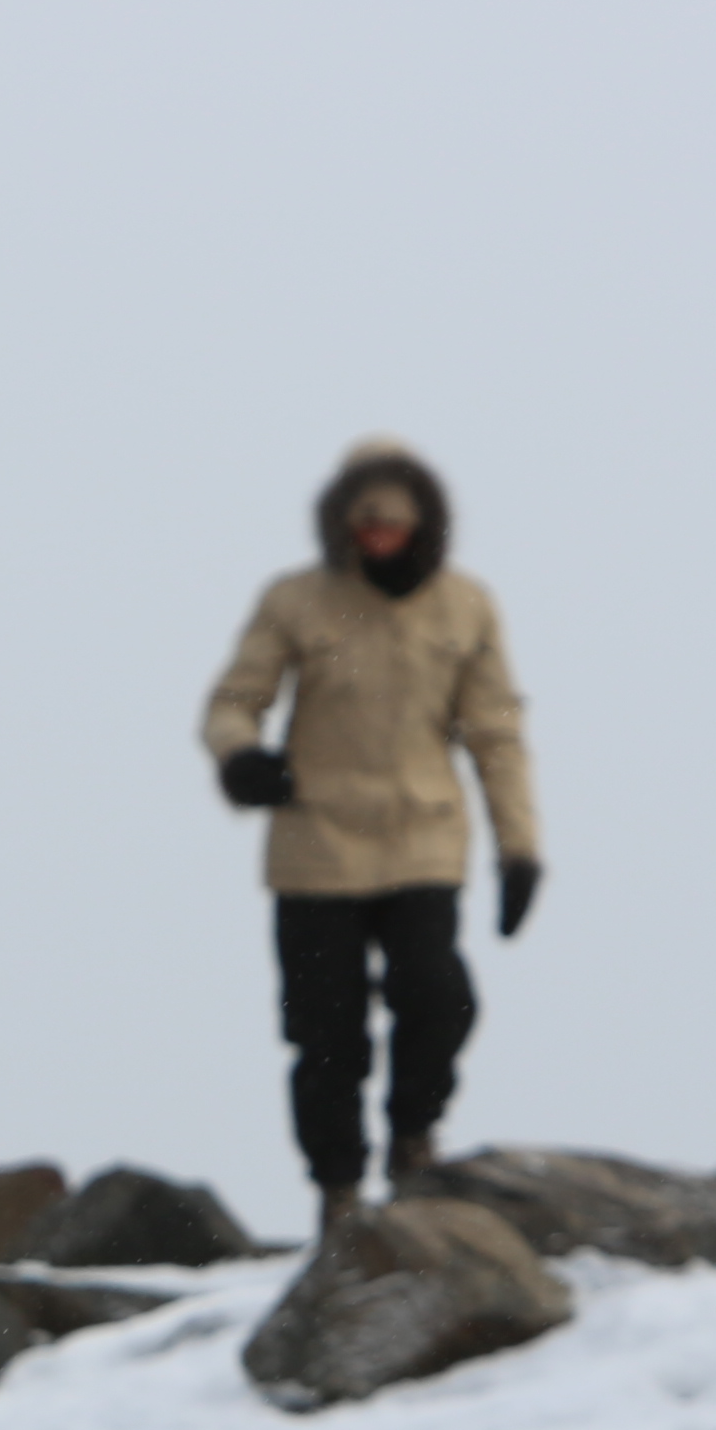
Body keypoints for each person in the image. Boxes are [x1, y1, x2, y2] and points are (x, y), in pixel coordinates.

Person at [196, 440, 545, 1210]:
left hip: (425, 839)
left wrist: (519, 850)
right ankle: (339, 1191)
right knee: (326, 1032)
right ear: (342, 524)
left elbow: (496, 735)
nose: (378, 538)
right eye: (364, 525)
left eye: (392, 525)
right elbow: (232, 703)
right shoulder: (295, 601)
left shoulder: (466, 605)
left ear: (423, 525)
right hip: (316, 848)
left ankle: (414, 1137)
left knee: (438, 997)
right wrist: (240, 758)